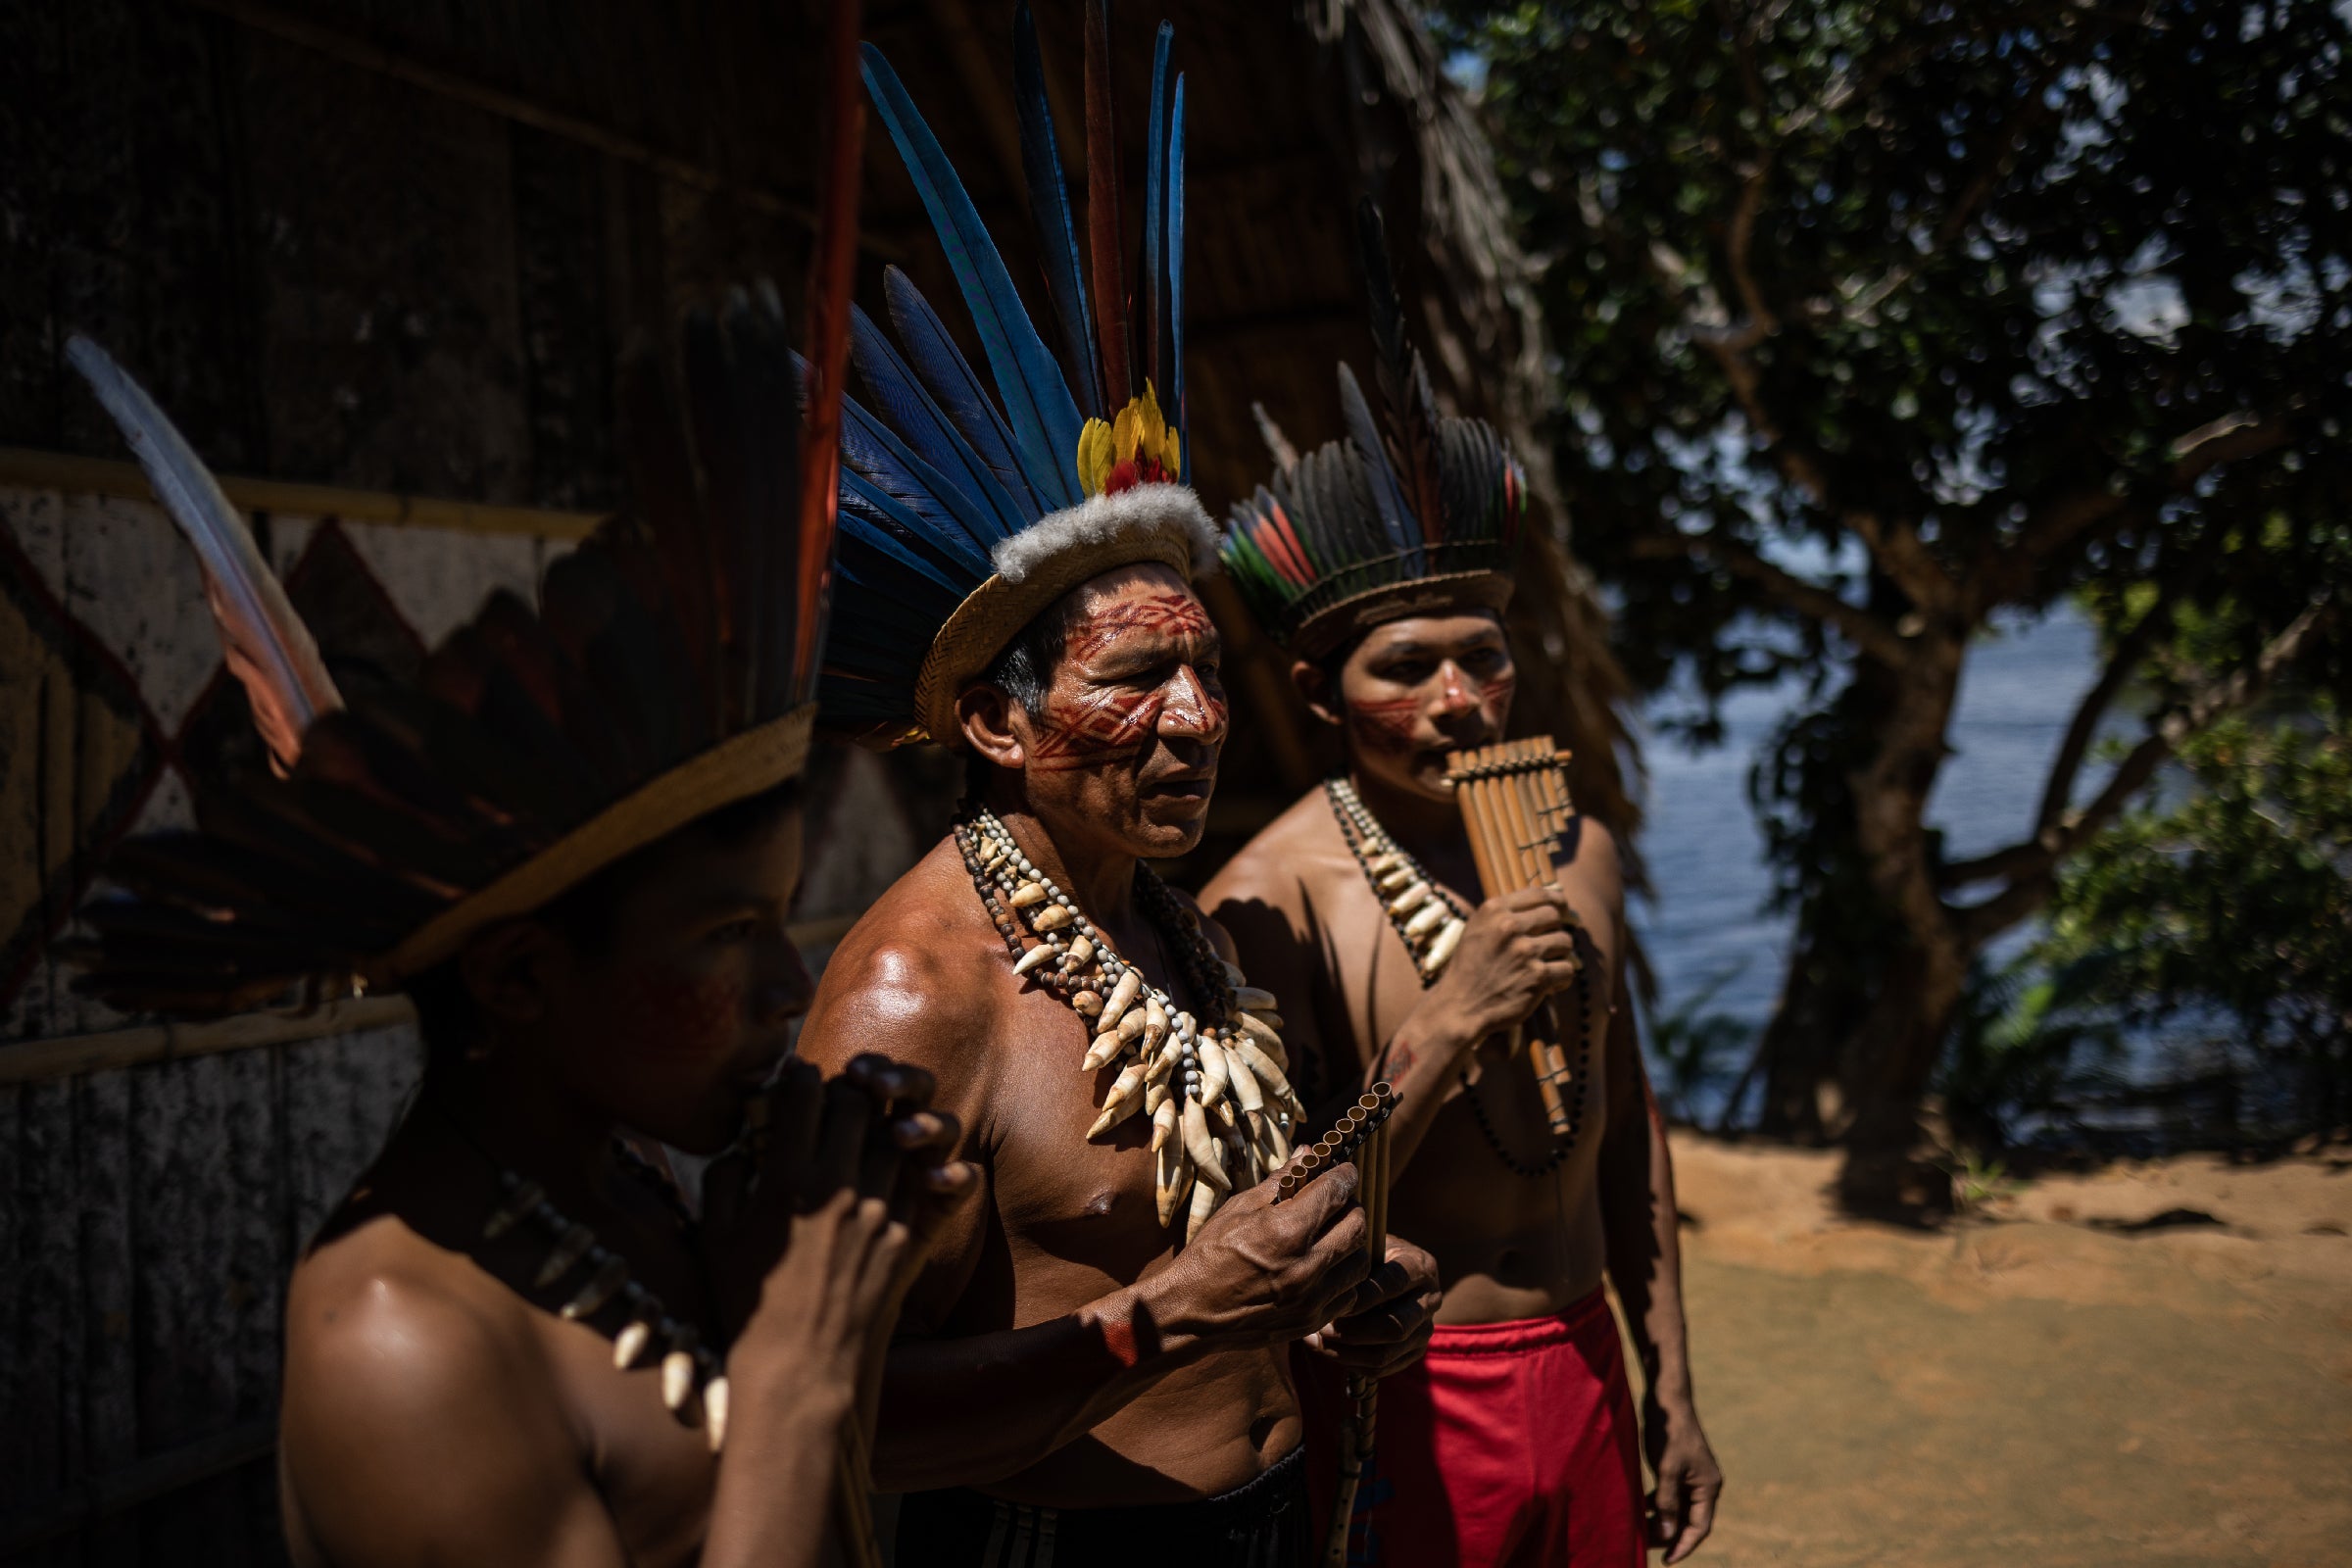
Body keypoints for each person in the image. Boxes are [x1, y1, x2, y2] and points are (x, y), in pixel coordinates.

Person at [66, 40, 971, 1553]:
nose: (791, 985)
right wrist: (808, 1346)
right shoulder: (399, 1337)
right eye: (727, 933)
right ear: (525, 972)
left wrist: (887, 1266)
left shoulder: (636, 1203)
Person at [793, 14, 1441, 1563]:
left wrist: (1352, 1278)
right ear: (1004, 731)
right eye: (1136, 681)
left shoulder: (1168, 924)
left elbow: (1201, 1234)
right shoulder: (912, 1000)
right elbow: (823, 1410)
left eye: (1207, 673)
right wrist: (1164, 1323)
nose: (1199, 719)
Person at [1200, 203, 1724, 1567]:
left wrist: (1672, 1388)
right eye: (1406, 667)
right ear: (1320, 693)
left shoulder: (1578, 845)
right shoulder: (1272, 902)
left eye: (1482, 658)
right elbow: (1275, 1219)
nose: (1460, 702)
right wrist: (1446, 1026)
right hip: (1412, 1399)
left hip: (1593, 1364)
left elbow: (1623, 1130)